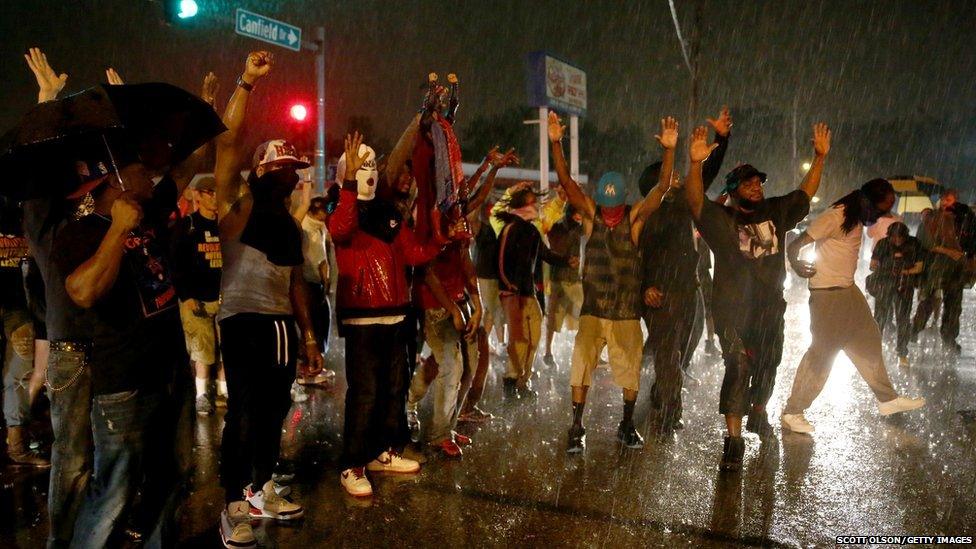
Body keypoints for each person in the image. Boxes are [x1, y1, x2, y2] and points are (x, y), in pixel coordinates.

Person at [212, 52, 323, 547]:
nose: (297, 177)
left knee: (275, 409)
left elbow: (297, 281)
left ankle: (261, 488)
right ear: (266, 172)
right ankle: (233, 502)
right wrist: (246, 83)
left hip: (280, 326)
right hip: (243, 322)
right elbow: (229, 143)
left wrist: (309, 337)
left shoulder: (288, 223)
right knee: (243, 412)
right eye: (288, 170)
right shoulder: (237, 206)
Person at [685, 121, 829, 470]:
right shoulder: (721, 219)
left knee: (767, 368)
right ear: (734, 189)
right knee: (737, 366)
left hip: (769, 309)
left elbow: (804, 195)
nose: (755, 186)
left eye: (757, 181)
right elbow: (693, 201)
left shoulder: (776, 212)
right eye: (747, 182)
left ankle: (759, 412)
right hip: (732, 310)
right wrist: (693, 164)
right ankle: (733, 442)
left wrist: (820, 157)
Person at [330, 131, 453, 494]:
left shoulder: (387, 212)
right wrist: (349, 183)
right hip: (363, 319)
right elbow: (341, 228)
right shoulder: (342, 206)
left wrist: (441, 238)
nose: (366, 172)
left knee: (393, 389)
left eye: (369, 166)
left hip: (395, 317)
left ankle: (382, 451)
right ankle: (352, 464)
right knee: (365, 392)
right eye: (358, 166)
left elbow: (413, 253)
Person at [550, 113, 677, 453]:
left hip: (625, 312)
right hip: (593, 309)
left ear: (622, 202)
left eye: (614, 206)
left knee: (630, 372)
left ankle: (626, 423)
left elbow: (661, 189)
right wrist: (555, 143)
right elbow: (566, 182)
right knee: (581, 367)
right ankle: (576, 427)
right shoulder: (592, 215)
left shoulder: (633, 219)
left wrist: (669, 151)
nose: (609, 213)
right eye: (605, 206)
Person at [22, 47, 96, 548]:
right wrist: (47, 102)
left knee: (99, 455)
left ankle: (94, 528)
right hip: (71, 348)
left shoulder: (89, 213)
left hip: (105, 344)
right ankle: (62, 541)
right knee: (71, 460)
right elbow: (35, 163)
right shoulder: (44, 216)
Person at [781, 179, 926, 433]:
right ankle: (793, 411)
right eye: (882, 208)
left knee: (868, 339)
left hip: (848, 290)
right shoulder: (836, 216)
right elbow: (795, 244)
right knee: (822, 354)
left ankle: (887, 399)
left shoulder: (856, 218)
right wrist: (796, 264)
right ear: (866, 202)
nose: (885, 214)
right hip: (827, 294)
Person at [637, 106, 731, 434]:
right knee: (668, 355)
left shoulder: (681, 206)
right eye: (671, 179)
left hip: (689, 291)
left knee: (681, 352)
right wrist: (645, 288)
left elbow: (702, 179)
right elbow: (639, 259)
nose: (676, 181)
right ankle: (668, 414)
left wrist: (721, 139)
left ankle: (664, 393)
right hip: (662, 293)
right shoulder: (650, 215)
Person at [496, 185, 577, 398]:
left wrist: (567, 261)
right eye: (531, 202)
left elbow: (545, 254)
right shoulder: (510, 229)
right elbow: (501, 261)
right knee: (521, 340)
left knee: (534, 338)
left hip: (530, 294)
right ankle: (511, 381)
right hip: (515, 295)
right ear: (522, 206)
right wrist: (508, 288)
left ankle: (523, 380)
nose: (534, 206)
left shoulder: (532, 231)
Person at [170, 175, 226, 416]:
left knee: (225, 348)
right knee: (202, 349)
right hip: (196, 299)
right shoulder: (188, 226)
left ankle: (223, 391)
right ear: (198, 195)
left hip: (223, 298)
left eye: (216, 192)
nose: (214, 197)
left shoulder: (224, 225)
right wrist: (186, 295)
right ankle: (202, 394)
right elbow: (175, 263)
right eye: (209, 192)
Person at [0, 198, 46, 468]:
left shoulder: (20, 211)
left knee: (17, 375)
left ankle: (17, 446)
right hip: (16, 307)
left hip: (18, 307)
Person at [911, 188, 966, 353]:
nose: (947, 203)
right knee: (927, 301)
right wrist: (949, 252)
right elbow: (926, 243)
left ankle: (949, 337)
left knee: (953, 304)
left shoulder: (960, 219)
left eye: (951, 200)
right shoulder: (931, 219)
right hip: (934, 266)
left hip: (955, 268)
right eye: (945, 199)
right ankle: (915, 330)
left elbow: (966, 240)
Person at [296, 193, 337, 386]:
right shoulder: (305, 228)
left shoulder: (320, 228)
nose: (328, 213)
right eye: (325, 210)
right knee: (311, 325)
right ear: (315, 210)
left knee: (322, 323)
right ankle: (307, 371)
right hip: (308, 283)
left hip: (318, 283)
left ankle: (315, 367)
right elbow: (309, 260)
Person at [870, 222, 924, 366]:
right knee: (880, 318)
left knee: (903, 320)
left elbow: (919, 267)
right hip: (885, 285)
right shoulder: (882, 244)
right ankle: (874, 351)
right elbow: (873, 264)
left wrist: (903, 271)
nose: (897, 240)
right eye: (894, 237)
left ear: (906, 236)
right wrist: (887, 268)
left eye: (900, 237)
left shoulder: (914, 244)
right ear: (890, 236)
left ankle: (902, 353)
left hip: (904, 286)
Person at [542, 202, 584, 367]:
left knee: (585, 317)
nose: (580, 216)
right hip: (559, 278)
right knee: (553, 318)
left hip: (573, 279)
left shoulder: (578, 228)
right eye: (578, 212)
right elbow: (555, 247)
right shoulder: (559, 227)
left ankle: (585, 351)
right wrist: (567, 260)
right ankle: (548, 352)